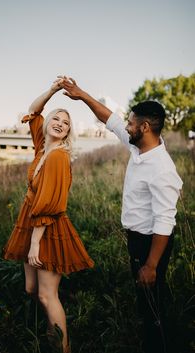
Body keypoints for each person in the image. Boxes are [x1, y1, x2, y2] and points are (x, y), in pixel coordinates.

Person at [61, 77, 183, 353]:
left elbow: (165, 222)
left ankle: (160, 344)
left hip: (151, 243)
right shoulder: (138, 146)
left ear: (144, 127)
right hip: (138, 239)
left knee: (152, 304)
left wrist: (151, 265)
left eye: (131, 123)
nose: (125, 126)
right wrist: (81, 95)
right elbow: (111, 119)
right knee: (147, 300)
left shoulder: (162, 169)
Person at [3, 78, 94, 353]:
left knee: (46, 294)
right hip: (32, 222)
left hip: (47, 227)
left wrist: (34, 242)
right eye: (57, 117)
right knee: (32, 289)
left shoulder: (58, 157)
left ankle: (62, 347)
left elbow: (50, 203)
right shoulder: (43, 146)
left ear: (68, 133)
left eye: (66, 123)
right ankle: (50, 332)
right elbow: (34, 110)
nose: (60, 123)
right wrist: (54, 90)